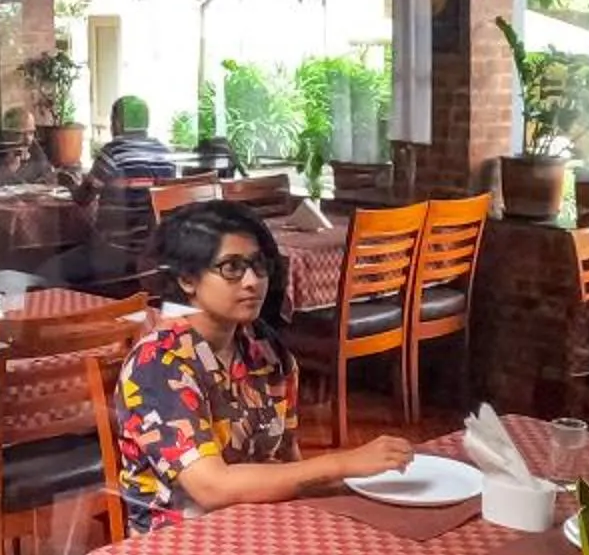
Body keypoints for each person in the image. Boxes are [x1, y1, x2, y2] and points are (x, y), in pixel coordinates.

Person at [116, 205, 412, 530]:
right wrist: (343, 463)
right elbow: (212, 487)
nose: (252, 281)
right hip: (180, 547)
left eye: (259, 266)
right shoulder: (159, 364)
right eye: (232, 268)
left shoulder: (267, 353)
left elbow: (288, 464)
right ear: (187, 279)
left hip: (262, 526)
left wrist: (364, 487)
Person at [87, 95, 182, 183]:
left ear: (117, 123)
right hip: (163, 201)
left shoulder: (112, 153)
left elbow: (85, 196)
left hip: (121, 201)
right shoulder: (165, 153)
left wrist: (73, 185)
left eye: (112, 120)